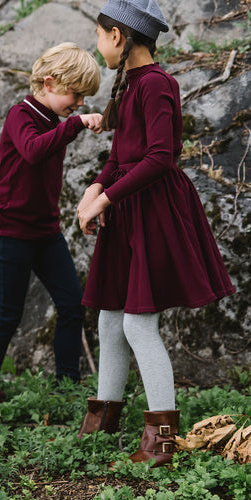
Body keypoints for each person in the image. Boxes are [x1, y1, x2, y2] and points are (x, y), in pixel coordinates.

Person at [76, 0, 236, 467]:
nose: (97, 44)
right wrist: (95, 189)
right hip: (126, 206)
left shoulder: (158, 85)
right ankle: (102, 420)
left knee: (137, 322)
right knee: (109, 317)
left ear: (120, 37)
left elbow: (160, 157)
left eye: (100, 35)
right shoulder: (127, 86)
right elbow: (120, 154)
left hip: (154, 209)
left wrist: (106, 199)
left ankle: (161, 441)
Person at [0, 42, 103, 417]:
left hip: (45, 232)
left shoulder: (55, 121)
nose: (78, 103)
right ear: (50, 82)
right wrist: (76, 124)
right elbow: (32, 150)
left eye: (82, 99)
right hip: (10, 233)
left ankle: (65, 387)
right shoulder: (21, 114)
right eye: (75, 94)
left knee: (72, 304)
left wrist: (82, 121)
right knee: (7, 315)